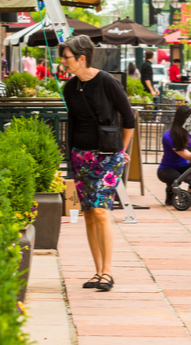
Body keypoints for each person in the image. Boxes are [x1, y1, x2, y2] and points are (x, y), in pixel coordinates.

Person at [60, 35, 136, 293]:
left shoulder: (107, 82)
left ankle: (108, 272)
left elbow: (128, 119)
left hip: (107, 157)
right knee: (90, 214)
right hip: (81, 157)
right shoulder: (69, 88)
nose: (63, 63)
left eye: (66, 57)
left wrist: (121, 151)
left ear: (82, 58)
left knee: (102, 211)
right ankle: (97, 269)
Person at [157, 105, 191, 206]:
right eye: (190, 117)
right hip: (167, 169)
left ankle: (190, 194)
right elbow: (187, 156)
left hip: (184, 166)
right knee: (176, 178)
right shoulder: (169, 135)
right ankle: (171, 192)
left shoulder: (190, 132)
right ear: (183, 118)